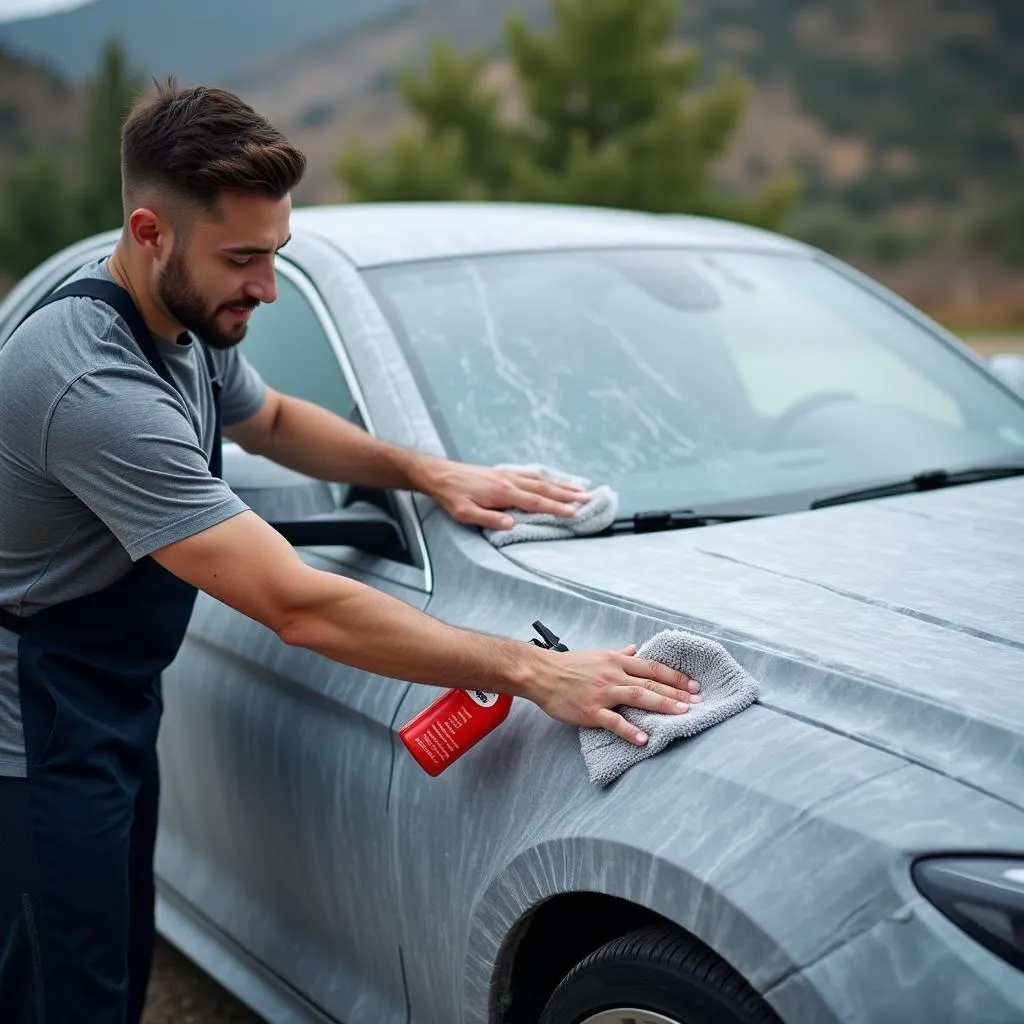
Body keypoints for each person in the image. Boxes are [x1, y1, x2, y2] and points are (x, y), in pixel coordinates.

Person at [0, 79, 700, 1024]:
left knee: (113, 958)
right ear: (149, 230)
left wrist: (432, 474)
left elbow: (276, 419)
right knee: (63, 991)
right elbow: (297, 605)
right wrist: (534, 671)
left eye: (276, 252)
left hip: (104, 704)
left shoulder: (185, 322)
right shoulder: (90, 381)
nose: (267, 287)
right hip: (31, 729)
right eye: (243, 258)